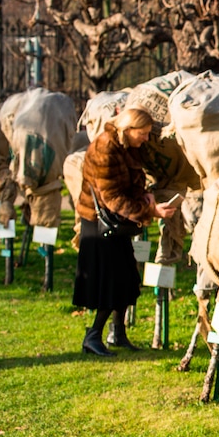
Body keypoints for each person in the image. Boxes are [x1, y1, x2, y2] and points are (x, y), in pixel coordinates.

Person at [73, 107, 177, 356]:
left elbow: (132, 182)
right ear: (127, 129)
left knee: (126, 279)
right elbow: (112, 198)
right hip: (100, 226)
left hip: (116, 224)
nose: (145, 138)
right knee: (109, 283)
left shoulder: (128, 147)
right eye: (141, 133)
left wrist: (145, 195)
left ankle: (117, 333)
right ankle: (93, 336)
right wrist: (150, 212)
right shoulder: (105, 148)